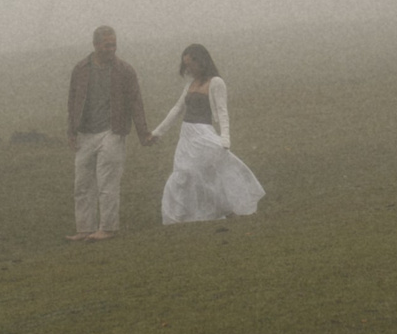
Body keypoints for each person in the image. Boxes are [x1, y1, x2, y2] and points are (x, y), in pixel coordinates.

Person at [149, 43, 265, 223]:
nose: (188, 68)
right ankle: (184, 215)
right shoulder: (190, 84)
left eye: (191, 64)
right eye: (185, 65)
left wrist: (225, 138)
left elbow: (222, 111)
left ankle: (227, 210)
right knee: (184, 175)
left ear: (201, 61)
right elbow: (177, 109)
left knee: (204, 174)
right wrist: (157, 133)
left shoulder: (216, 83)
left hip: (203, 134)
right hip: (186, 136)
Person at [66, 25, 151, 242]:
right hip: (85, 134)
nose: (111, 49)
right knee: (82, 184)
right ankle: (85, 229)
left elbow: (135, 102)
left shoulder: (125, 70)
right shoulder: (81, 69)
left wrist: (143, 133)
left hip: (113, 131)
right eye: (107, 45)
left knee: (107, 183)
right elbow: (72, 101)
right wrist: (71, 131)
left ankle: (108, 228)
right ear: (95, 45)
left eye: (114, 44)